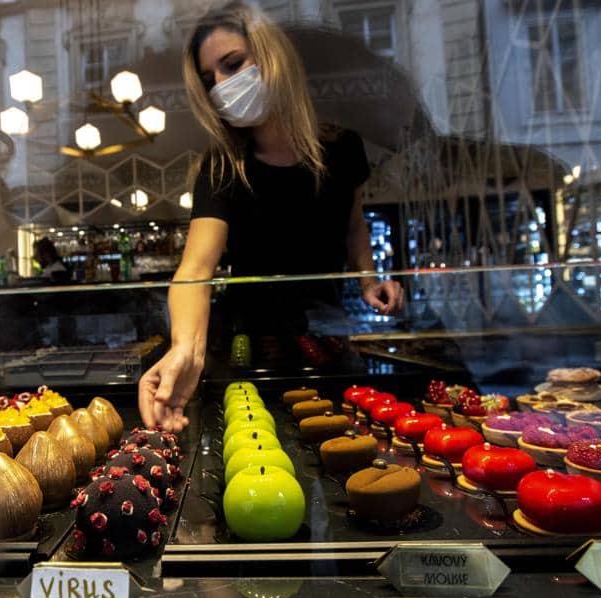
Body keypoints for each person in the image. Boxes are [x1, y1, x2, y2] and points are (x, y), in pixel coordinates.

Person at [138, 2, 403, 432]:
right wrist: (186, 348)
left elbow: (354, 228)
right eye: (211, 80)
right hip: (250, 345)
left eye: (233, 64)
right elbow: (196, 268)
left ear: (271, 55)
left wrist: (371, 282)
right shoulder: (223, 166)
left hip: (326, 336)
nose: (223, 85)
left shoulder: (343, 148)